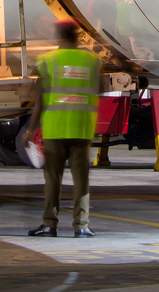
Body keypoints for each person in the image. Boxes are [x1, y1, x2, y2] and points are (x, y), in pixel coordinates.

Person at [26, 18, 102, 238]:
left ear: (59, 36)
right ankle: (82, 226)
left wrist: (31, 130)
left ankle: (49, 224)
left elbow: (38, 98)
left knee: (53, 180)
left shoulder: (47, 61)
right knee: (82, 181)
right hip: (82, 128)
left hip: (55, 129)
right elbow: (102, 89)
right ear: (77, 37)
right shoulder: (93, 61)